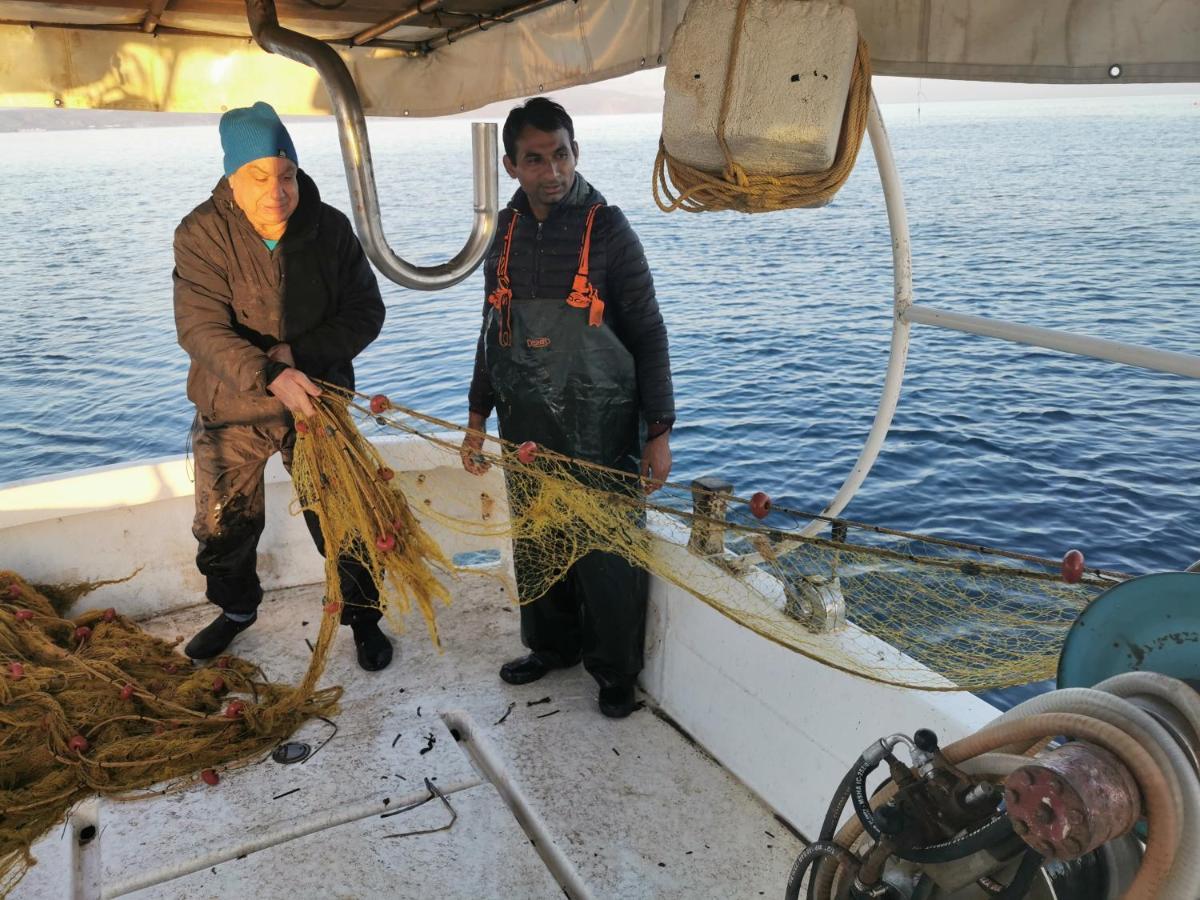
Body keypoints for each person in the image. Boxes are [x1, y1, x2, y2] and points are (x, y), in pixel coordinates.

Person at [460, 97, 675, 718]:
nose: (552, 170)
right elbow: (490, 331)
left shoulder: (608, 229)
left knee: (608, 550)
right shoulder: (503, 233)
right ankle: (551, 647)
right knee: (537, 536)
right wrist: (477, 420)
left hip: (601, 426)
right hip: (525, 422)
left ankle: (614, 671)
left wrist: (658, 431)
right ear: (511, 165)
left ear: (575, 152)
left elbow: (649, 333)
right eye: (535, 159)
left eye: (562, 154)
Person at [174, 101, 393, 671]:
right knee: (223, 526)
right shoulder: (201, 234)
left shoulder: (331, 227)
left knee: (345, 518)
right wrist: (269, 372)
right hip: (232, 405)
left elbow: (367, 311)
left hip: (316, 403)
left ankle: (364, 618)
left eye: (287, 174)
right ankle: (236, 611)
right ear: (231, 177)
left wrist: (301, 355)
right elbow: (199, 329)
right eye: (259, 176)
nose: (277, 190)